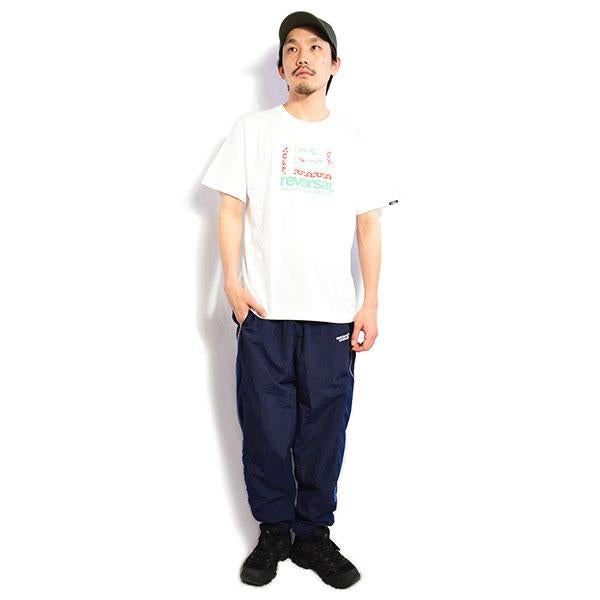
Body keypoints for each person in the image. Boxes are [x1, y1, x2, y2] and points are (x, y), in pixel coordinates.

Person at [201, 10, 397, 589]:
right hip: (265, 312)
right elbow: (230, 207)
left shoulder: (353, 140)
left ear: (335, 65)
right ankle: (274, 532)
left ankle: (313, 535)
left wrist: (370, 303)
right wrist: (232, 285)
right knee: (265, 428)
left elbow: (368, 224)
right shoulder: (252, 131)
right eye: (292, 48)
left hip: (332, 315)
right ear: (281, 66)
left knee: (323, 431)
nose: (302, 56)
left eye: (315, 47)